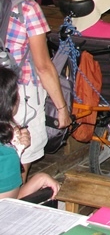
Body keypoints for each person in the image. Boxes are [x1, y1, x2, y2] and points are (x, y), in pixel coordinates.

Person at [0, 0, 71, 178]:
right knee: (18, 162)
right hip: (18, 93)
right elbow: (43, 66)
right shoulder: (28, 8)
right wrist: (61, 108)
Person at [0, 67, 61, 200]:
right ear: (11, 104)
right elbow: (8, 204)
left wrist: (18, 150)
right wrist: (39, 179)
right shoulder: (6, 155)